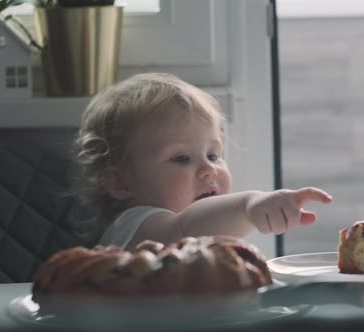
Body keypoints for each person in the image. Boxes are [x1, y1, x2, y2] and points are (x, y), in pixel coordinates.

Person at [72, 72, 333, 251]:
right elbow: (186, 229)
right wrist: (247, 205)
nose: (209, 170)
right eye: (182, 158)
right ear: (121, 182)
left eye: (213, 155)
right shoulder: (134, 225)